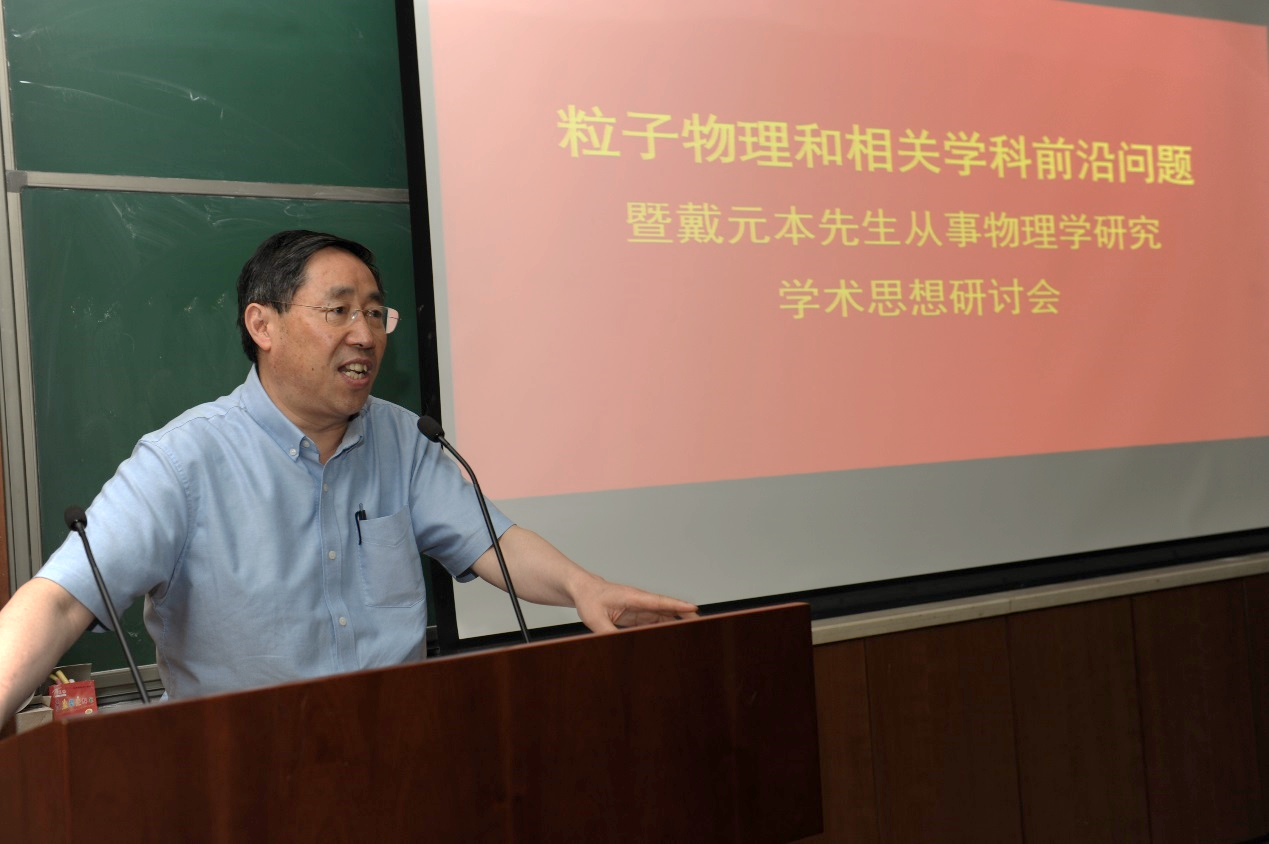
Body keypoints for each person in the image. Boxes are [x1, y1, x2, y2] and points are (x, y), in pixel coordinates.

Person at [0, 230, 696, 719]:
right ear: (263, 325)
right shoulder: (184, 461)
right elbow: (61, 600)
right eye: (338, 311)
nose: (364, 334)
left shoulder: (404, 439)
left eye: (373, 313)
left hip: (398, 755)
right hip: (238, 775)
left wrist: (582, 588)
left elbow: (493, 543)